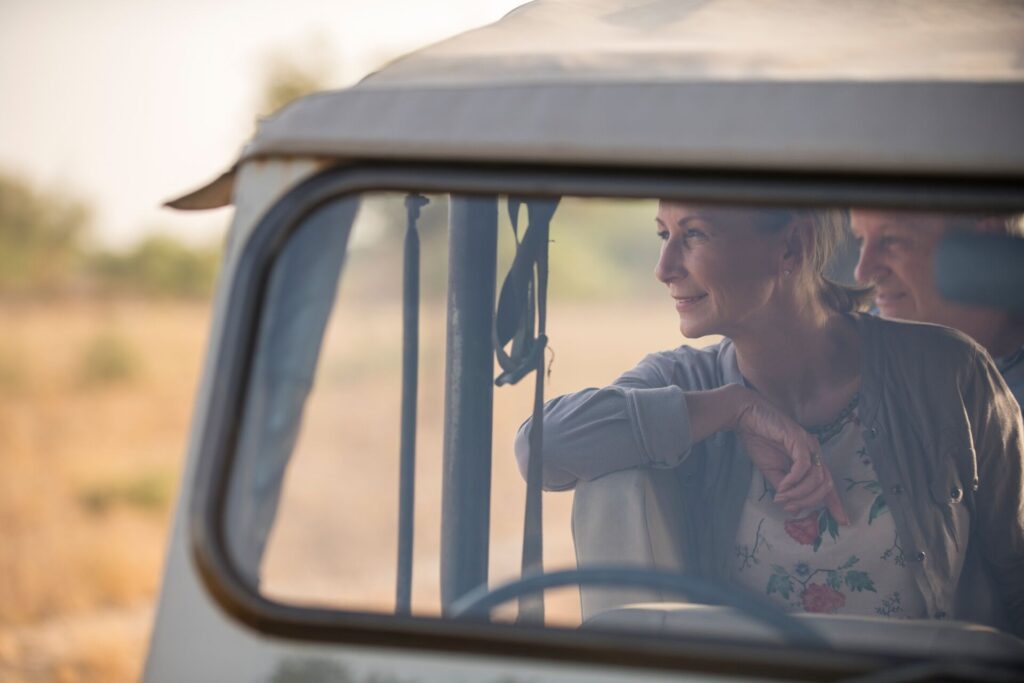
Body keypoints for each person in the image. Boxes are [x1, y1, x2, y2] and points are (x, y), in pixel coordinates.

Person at [515, 203, 1024, 634]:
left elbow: (1017, 575)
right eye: (663, 235)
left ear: (791, 247)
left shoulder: (950, 371)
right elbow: (541, 447)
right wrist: (735, 408)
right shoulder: (688, 382)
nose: (663, 267)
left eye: (692, 235)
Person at [851, 210, 1024, 406]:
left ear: (985, 239)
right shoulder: (858, 355)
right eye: (860, 240)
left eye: (892, 239)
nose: (862, 272)